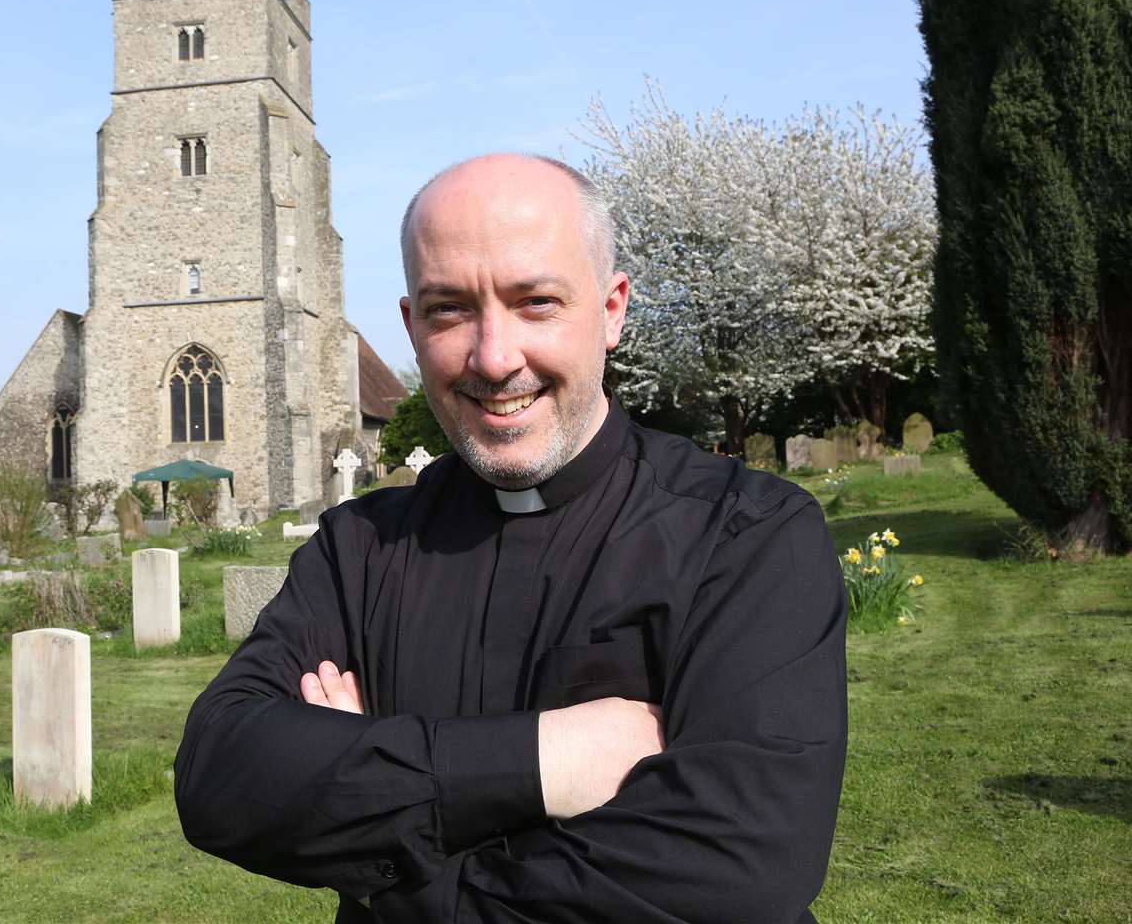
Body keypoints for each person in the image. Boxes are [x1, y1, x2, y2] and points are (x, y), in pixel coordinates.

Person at [176, 154, 847, 922]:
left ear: (612, 308)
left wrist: (382, 852)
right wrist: (542, 763)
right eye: (450, 310)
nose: (495, 358)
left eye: (536, 302)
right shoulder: (358, 549)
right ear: (411, 326)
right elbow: (221, 778)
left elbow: (740, 868)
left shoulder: (747, 536)